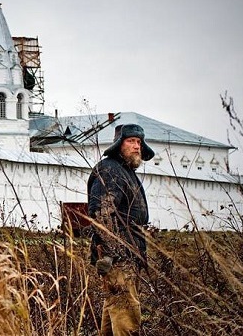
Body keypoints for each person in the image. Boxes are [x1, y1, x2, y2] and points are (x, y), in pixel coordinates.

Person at [87, 123, 154, 336]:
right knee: (127, 315)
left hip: (127, 253)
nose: (137, 146)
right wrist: (109, 253)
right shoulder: (110, 169)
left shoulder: (125, 171)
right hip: (119, 256)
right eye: (131, 141)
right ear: (119, 145)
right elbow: (101, 212)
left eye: (139, 142)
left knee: (115, 311)